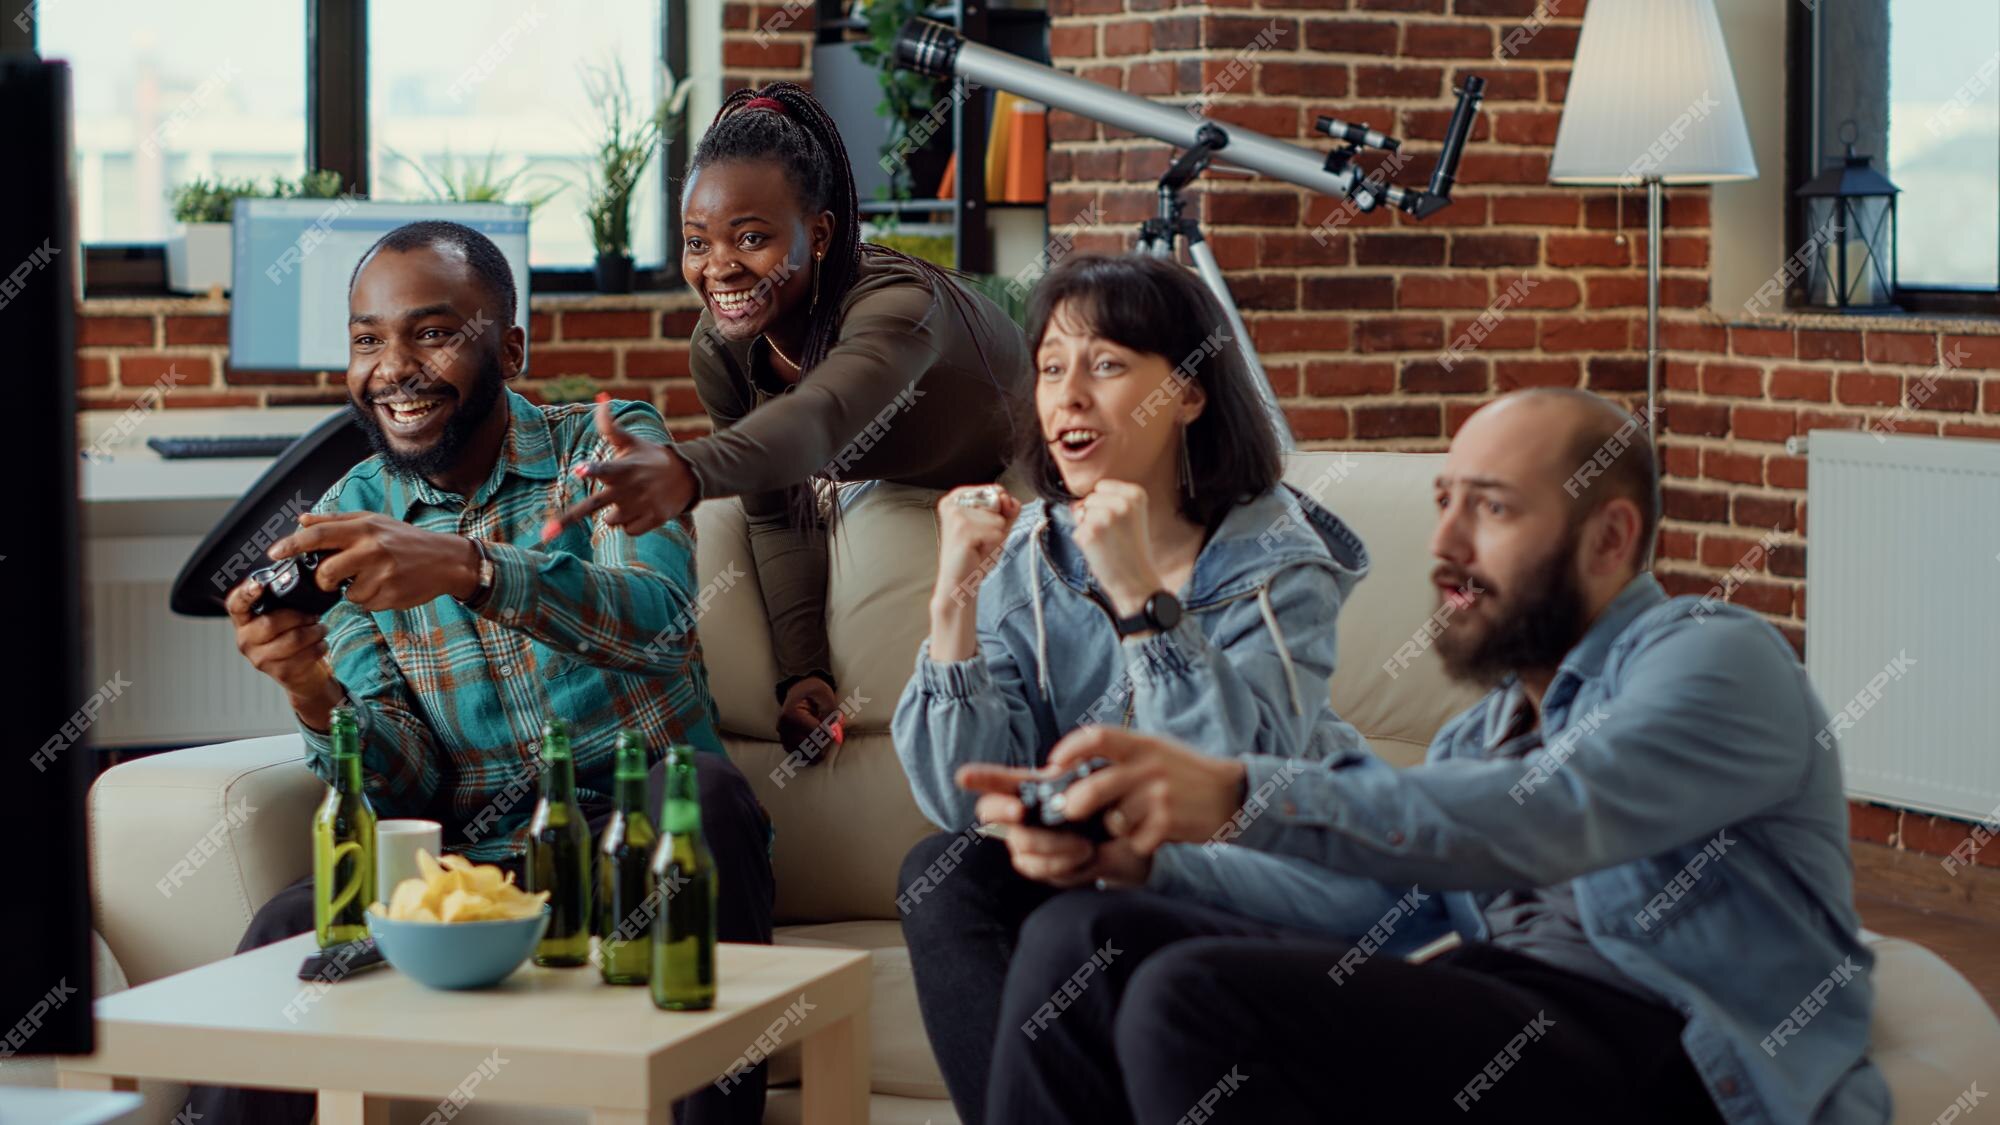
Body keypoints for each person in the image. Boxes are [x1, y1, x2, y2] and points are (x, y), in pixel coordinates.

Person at [963, 388, 1886, 1124]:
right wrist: (1146, 861)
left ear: (1610, 538)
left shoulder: (1716, 655)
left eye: (1491, 510)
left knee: (1192, 997)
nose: (1444, 546)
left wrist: (1238, 791)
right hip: (1503, 1023)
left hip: (1671, 1055)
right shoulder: (1477, 734)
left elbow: (1556, 811)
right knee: (1085, 934)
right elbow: (1370, 904)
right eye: (1445, 504)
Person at [193, 221, 774, 1125]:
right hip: (480, 876)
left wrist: (472, 566)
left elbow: (662, 624)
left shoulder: (609, 442)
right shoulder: (352, 511)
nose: (393, 367)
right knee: (288, 925)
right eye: (368, 339)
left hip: (633, 844)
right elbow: (407, 776)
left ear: (508, 347)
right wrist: (312, 688)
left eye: (431, 333)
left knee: (697, 791)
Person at [892, 254, 1416, 1124]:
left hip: (1269, 874)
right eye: (1052, 368)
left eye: (1105, 365)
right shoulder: (1028, 558)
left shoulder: (1279, 563)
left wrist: (1140, 595)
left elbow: (1228, 783)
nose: (1068, 396)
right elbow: (961, 798)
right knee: (942, 872)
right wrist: (952, 604)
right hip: (1106, 869)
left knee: (1091, 923)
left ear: (1189, 393)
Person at [550, 82, 1029, 759]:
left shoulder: (897, 306)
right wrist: (803, 670)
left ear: (821, 234)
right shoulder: (721, 346)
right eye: (696, 242)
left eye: (752, 237)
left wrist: (689, 468)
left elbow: (824, 417)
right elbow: (776, 508)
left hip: (1027, 461)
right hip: (899, 477)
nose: (718, 267)